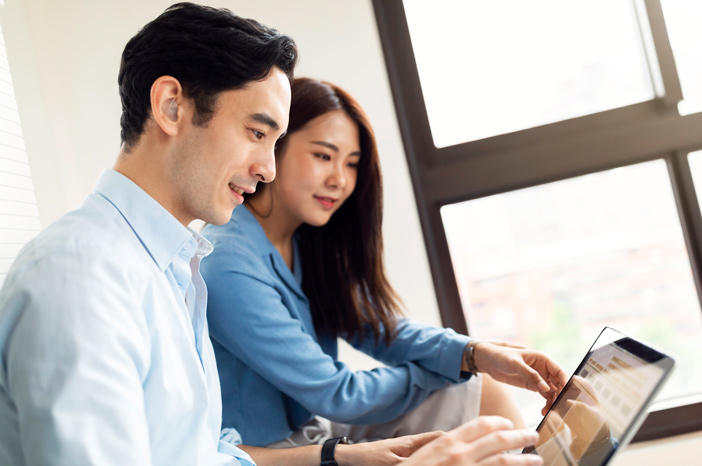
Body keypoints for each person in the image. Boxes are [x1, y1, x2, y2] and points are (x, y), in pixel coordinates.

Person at [0, 3, 545, 466]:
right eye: (257, 133)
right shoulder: (81, 275)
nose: (268, 168)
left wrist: (340, 457)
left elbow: (204, 454)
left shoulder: (170, 269)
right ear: (171, 107)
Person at [201, 78, 568, 449]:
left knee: (480, 393)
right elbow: (336, 394)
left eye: (352, 163)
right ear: (275, 146)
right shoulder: (229, 261)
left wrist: (474, 353)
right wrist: (454, 367)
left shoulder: (306, 244)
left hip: (312, 430)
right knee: (467, 388)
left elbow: (380, 330)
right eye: (323, 156)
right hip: (264, 453)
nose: (339, 180)